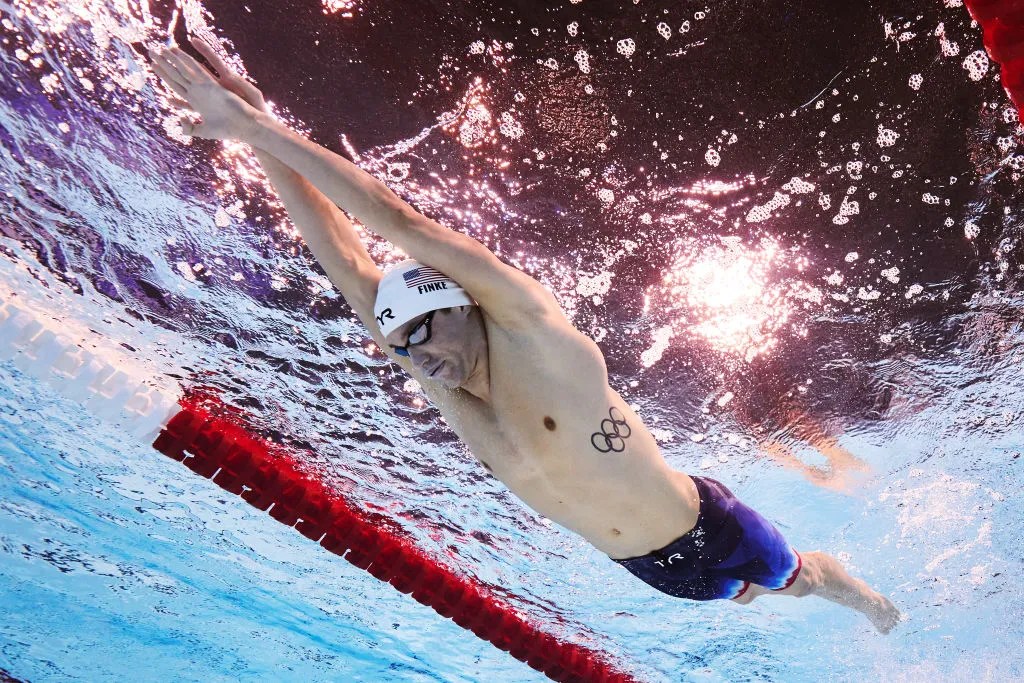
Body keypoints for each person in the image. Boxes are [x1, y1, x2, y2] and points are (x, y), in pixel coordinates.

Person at [148, 39, 901, 634]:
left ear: (462, 301)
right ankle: (767, 591)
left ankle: (870, 603)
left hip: (709, 525)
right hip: (650, 567)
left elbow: (395, 224)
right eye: (400, 342)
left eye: (423, 328)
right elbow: (345, 261)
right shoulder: (440, 380)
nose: (416, 352)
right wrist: (254, 141)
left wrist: (254, 125)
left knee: (798, 580)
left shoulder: (528, 328)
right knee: (736, 600)